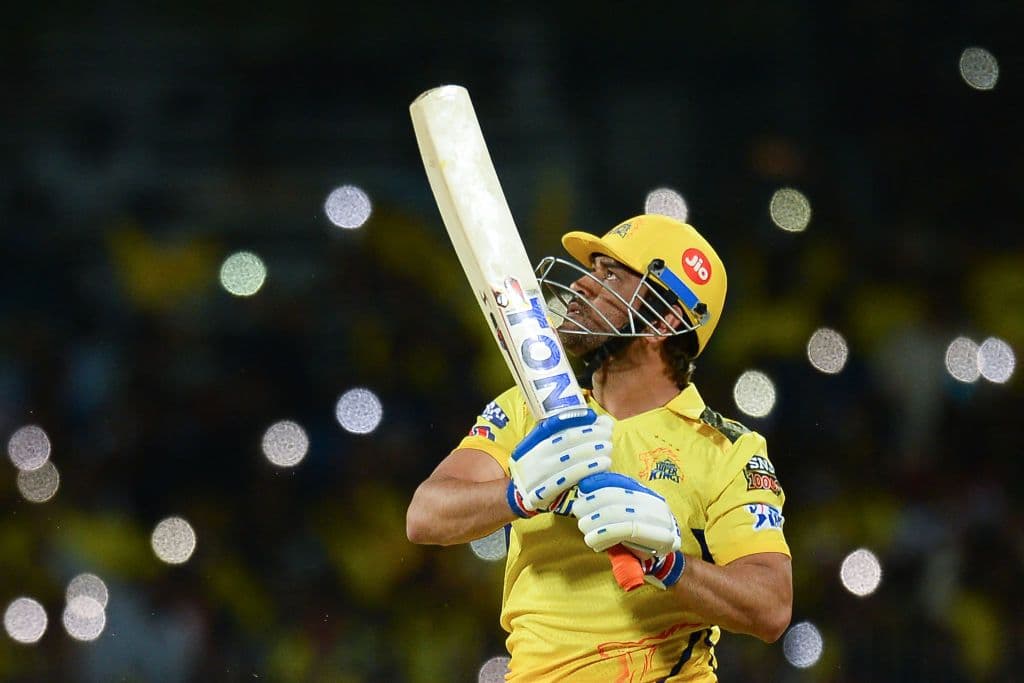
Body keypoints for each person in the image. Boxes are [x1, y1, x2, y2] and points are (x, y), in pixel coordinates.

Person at [406, 214, 792, 682]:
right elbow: (424, 516)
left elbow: (771, 608)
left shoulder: (727, 449)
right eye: (593, 270)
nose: (585, 286)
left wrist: (665, 563)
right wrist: (518, 494)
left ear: (665, 320)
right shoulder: (528, 409)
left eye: (611, 275)